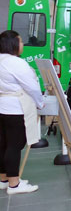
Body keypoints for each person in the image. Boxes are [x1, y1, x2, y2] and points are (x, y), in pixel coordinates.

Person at [0, 30, 44, 194]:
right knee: (14, 145)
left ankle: (4, 179)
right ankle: (14, 184)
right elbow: (32, 87)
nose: (22, 45)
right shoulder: (17, 63)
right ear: (13, 44)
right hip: (16, 108)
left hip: (2, 105)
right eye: (20, 41)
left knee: (3, 144)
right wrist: (40, 103)